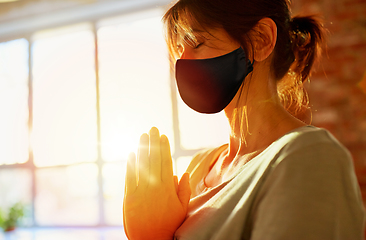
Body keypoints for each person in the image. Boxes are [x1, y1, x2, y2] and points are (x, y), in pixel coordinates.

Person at [123, 0, 366, 239]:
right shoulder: (200, 165)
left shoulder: (310, 156)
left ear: (261, 39)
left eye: (196, 42)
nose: (182, 62)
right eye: (177, 50)